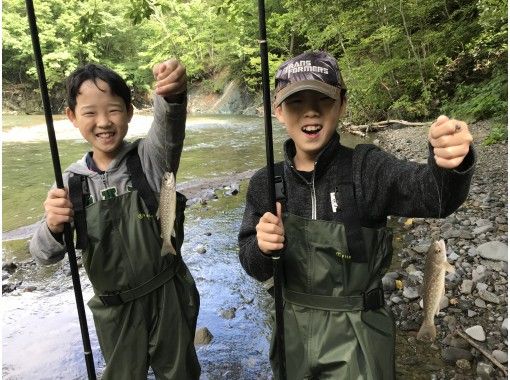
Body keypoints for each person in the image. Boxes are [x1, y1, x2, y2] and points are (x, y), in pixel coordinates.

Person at [238, 51, 475, 379]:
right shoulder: (265, 183)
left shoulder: (368, 169)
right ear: (278, 111)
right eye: (296, 101)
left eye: (322, 98)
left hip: (359, 339)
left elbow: (435, 198)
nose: (310, 110)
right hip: (290, 336)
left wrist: (451, 164)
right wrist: (262, 248)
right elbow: (251, 264)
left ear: (342, 105)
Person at [29, 59, 201, 379]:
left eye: (113, 110)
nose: (104, 122)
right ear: (71, 116)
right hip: (114, 311)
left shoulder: (150, 160)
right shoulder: (69, 184)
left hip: (169, 296)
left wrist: (173, 95)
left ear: (130, 112)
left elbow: (170, 128)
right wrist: (52, 226)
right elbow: (43, 255)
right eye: (90, 113)